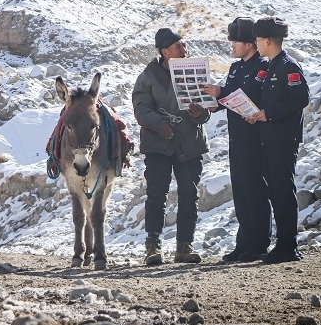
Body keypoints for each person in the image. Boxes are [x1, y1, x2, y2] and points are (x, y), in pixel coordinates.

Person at [132, 28, 210, 265]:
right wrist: (158, 124)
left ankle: (185, 246)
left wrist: (200, 114)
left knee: (189, 193)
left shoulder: (195, 71)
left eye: (184, 45)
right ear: (165, 52)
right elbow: (141, 108)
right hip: (158, 143)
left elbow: (206, 105)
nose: (184, 49)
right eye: (179, 46)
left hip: (189, 140)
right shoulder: (148, 76)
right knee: (156, 194)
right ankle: (153, 246)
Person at [202, 17, 271, 262]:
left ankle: (259, 244)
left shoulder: (263, 66)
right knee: (241, 192)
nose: (231, 46)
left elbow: (250, 94)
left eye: (235, 42)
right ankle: (243, 243)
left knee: (255, 191)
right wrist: (214, 102)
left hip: (256, 138)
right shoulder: (235, 68)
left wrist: (222, 93)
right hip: (237, 138)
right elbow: (230, 97)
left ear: (249, 44)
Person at [249, 16, 310, 263]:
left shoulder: (288, 66)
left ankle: (288, 245)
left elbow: (300, 99)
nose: (256, 45)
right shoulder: (271, 65)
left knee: (283, 190)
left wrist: (269, 114)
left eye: (257, 40)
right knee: (275, 190)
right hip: (269, 137)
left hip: (283, 139)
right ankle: (283, 243)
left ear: (266, 41)